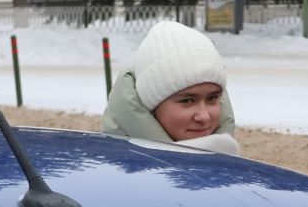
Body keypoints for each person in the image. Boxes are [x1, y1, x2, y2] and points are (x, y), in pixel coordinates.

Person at [101, 20, 240, 154]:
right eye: (188, 101)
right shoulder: (114, 171)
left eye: (212, 98)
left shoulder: (230, 166)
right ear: (151, 107)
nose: (204, 117)